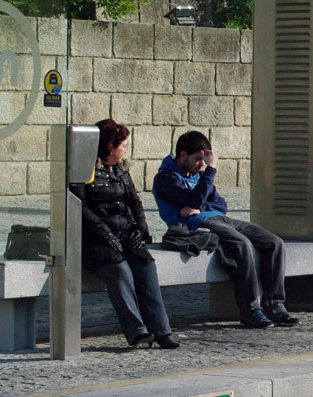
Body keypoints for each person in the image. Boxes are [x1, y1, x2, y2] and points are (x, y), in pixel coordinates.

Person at [152, 131, 300, 329]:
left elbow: (221, 204)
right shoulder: (165, 178)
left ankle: (274, 305)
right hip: (194, 226)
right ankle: (249, 309)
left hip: (218, 217)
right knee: (242, 244)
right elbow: (193, 200)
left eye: (205, 161)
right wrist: (211, 171)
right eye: (198, 159)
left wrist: (202, 207)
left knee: (274, 242)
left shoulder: (198, 176)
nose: (202, 165)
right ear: (182, 155)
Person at [74, 119, 179, 349]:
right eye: (123, 145)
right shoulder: (85, 170)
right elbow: (80, 208)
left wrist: (140, 228)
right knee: (119, 270)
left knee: (146, 265)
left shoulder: (121, 170)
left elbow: (134, 201)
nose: (125, 149)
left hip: (125, 234)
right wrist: (106, 234)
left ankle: (161, 330)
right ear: (110, 146)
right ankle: (137, 330)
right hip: (97, 239)